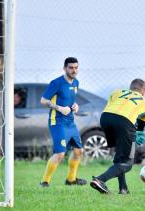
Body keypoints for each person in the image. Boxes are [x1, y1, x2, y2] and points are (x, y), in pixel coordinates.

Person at [90, 79, 145, 194]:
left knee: (119, 157)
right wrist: (138, 134)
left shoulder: (116, 92)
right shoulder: (144, 103)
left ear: (130, 87)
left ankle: (123, 189)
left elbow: (111, 106)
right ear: (143, 91)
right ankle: (100, 179)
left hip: (105, 119)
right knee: (127, 164)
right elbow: (140, 129)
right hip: (124, 122)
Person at [39, 57, 86, 188]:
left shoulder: (76, 83)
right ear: (65, 68)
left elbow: (70, 101)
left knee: (78, 151)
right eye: (71, 68)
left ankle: (71, 180)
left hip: (71, 122)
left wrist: (75, 105)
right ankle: (44, 182)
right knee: (60, 153)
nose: (74, 70)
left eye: (76, 67)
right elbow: (43, 100)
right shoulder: (56, 83)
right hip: (57, 122)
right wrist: (59, 108)